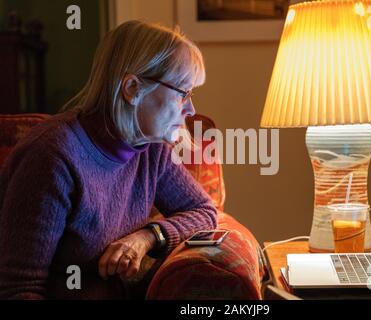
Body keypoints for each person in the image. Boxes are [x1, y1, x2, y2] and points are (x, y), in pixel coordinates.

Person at [0, 21, 217, 299]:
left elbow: (204, 212)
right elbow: (20, 290)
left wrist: (148, 237)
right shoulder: (52, 157)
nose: (191, 109)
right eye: (182, 93)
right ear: (132, 88)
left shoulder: (151, 147)